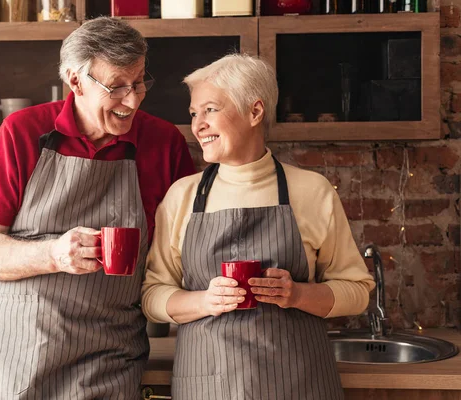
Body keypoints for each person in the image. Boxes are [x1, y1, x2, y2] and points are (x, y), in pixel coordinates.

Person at [0, 17, 196, 400]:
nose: (131, 100)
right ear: (75, 80)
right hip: (11, 352)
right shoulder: (22, 132)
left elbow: (184, 254)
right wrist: (52, 253)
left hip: (105, 360)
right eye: (116, 86)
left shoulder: (164, 143)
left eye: (138, 83)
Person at [142, 54, 375, 400]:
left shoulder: (311, 191)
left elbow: (357, 291)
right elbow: (152, 295)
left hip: (298, 384)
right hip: (208, 386)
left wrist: (297, 294)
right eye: (194, 113)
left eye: (210, 110)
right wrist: (206, 301)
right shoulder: (183, 197)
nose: (198, 125)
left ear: (255, 112)